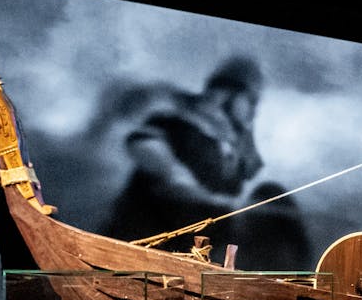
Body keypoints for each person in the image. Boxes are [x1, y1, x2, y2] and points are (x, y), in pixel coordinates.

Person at [103, 57, 308, 269]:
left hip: (187, 261)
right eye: (252, 101)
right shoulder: (174, 127)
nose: (253, 111)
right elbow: (153, 157)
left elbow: (247, 172)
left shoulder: (230, 149)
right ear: (231, 93)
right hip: (140, 253)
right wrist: (216, 200)